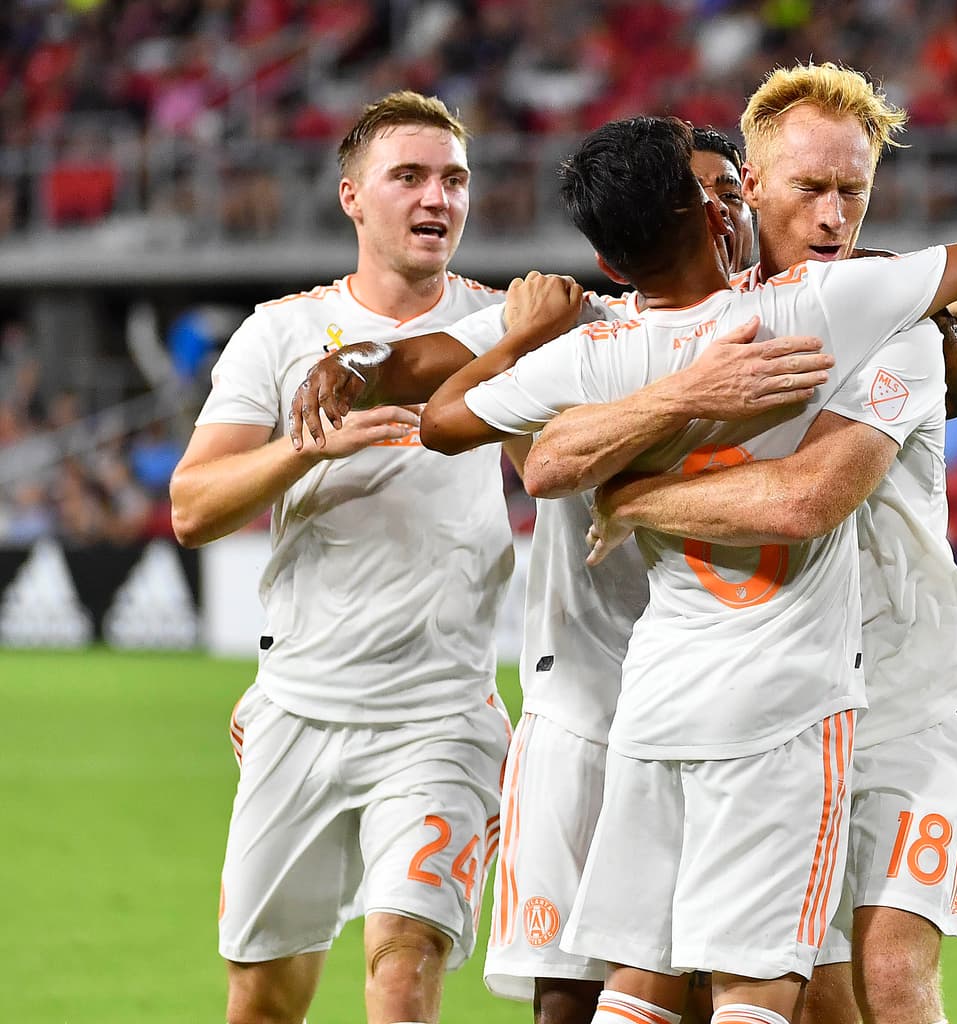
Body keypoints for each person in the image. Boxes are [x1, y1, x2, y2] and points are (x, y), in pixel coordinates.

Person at [415, 115, 957, 1024]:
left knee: (868, 977)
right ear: (741, 195)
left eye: (850, 192)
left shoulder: (858, 310)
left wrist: (632, 498)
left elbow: (537, 460)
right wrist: (688, 395)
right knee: (767, 987)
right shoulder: (805, 315)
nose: (831, 214)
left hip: (893, 693)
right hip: (776, 697)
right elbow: (555, 465)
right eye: (807, 189)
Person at [287, 125, 832, 1024]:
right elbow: (423, 368)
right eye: (706, 194)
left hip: (734, 703)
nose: (725, 210)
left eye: (735, 192)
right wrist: (354, 358)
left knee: (727, 983)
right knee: (571, 997)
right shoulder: (583, 329)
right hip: (583, 702)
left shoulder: (797, 320)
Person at [168, 91, 516, 1024]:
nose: (435, 197)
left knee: (403, 965)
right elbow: (192, 507)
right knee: (265, 1002)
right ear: (352, 196)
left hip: (442, 716)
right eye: (408, 176)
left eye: (453, 179)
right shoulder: (279, 335)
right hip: (302, 714)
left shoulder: (506, 331)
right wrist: (304, 451)